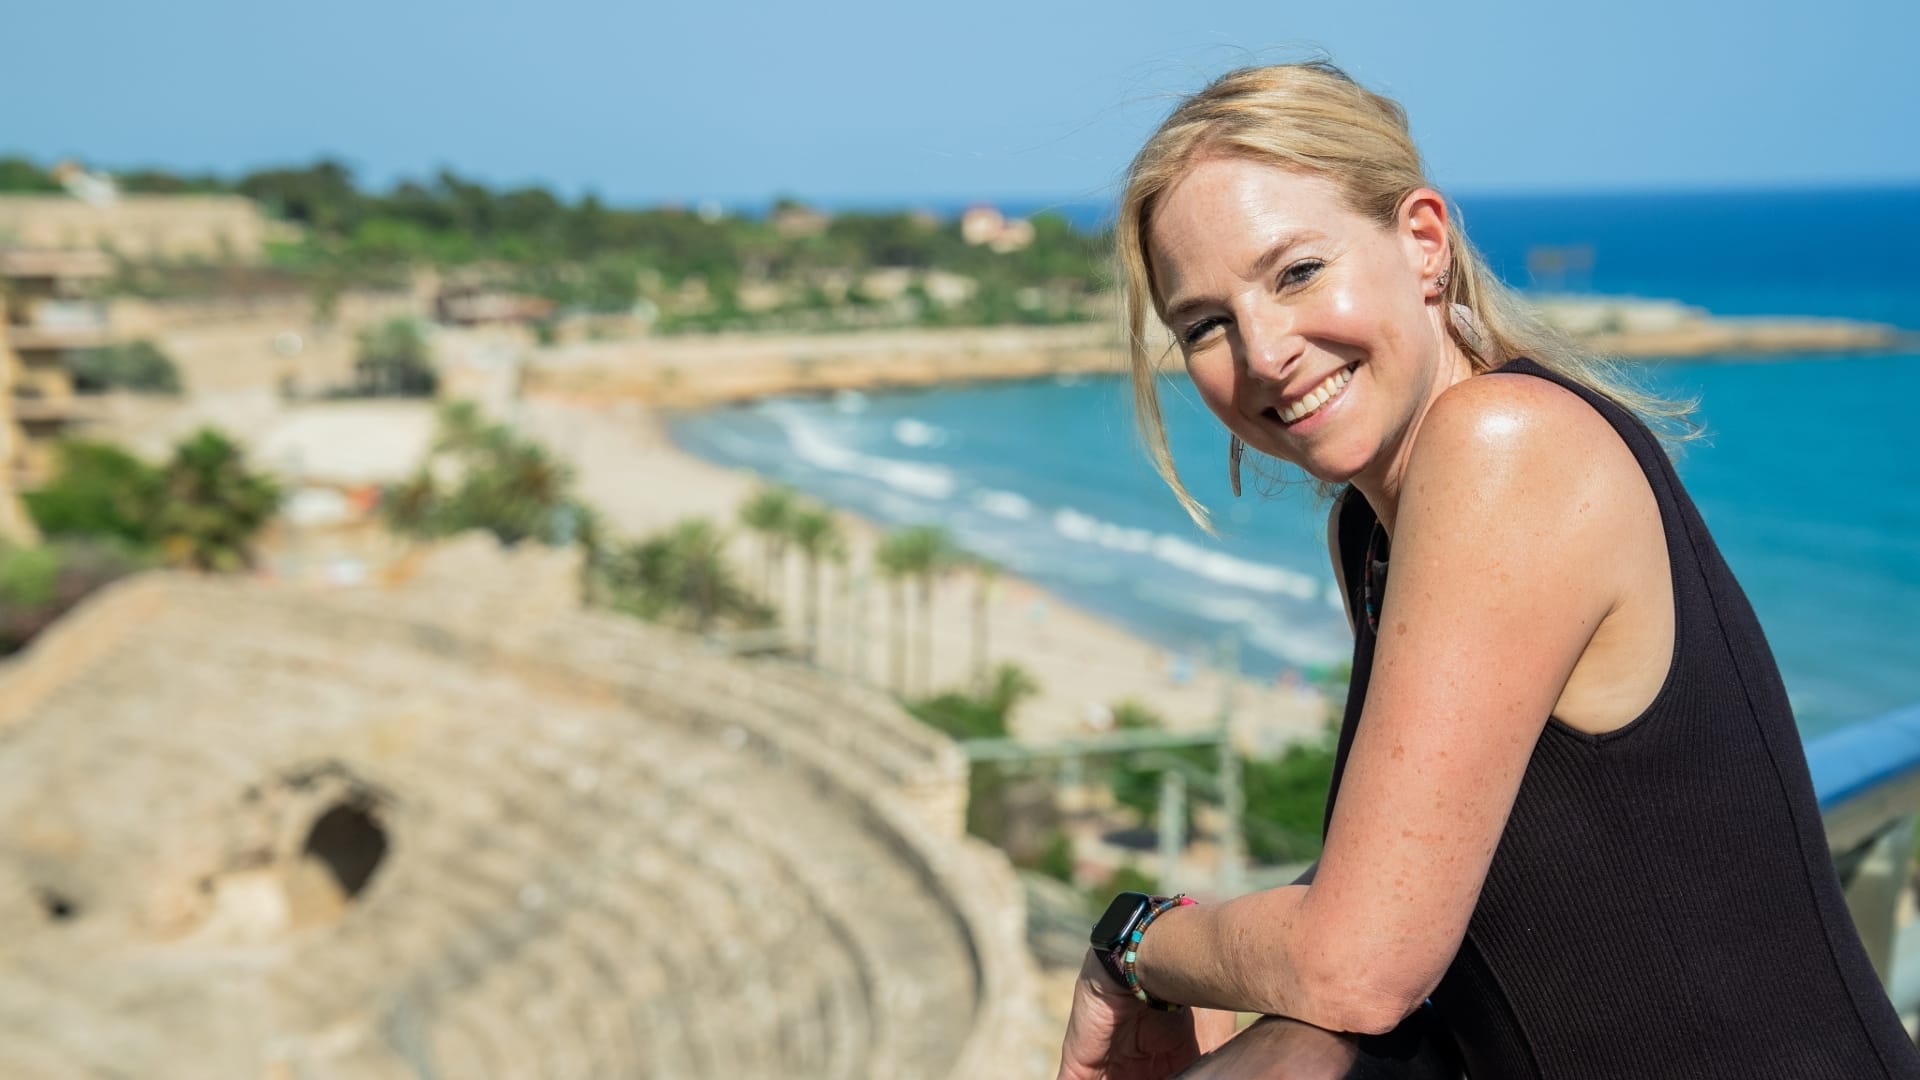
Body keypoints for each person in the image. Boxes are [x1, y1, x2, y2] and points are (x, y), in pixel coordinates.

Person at [1058, 61, 1920, 1079]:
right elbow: (1409, 872)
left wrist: (1139, 945)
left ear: (1423, 242)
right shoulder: (1375, 529)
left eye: (1295, 273)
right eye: (1205, 323)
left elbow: (1359, 965)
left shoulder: (1502, 446)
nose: (1263, 351)